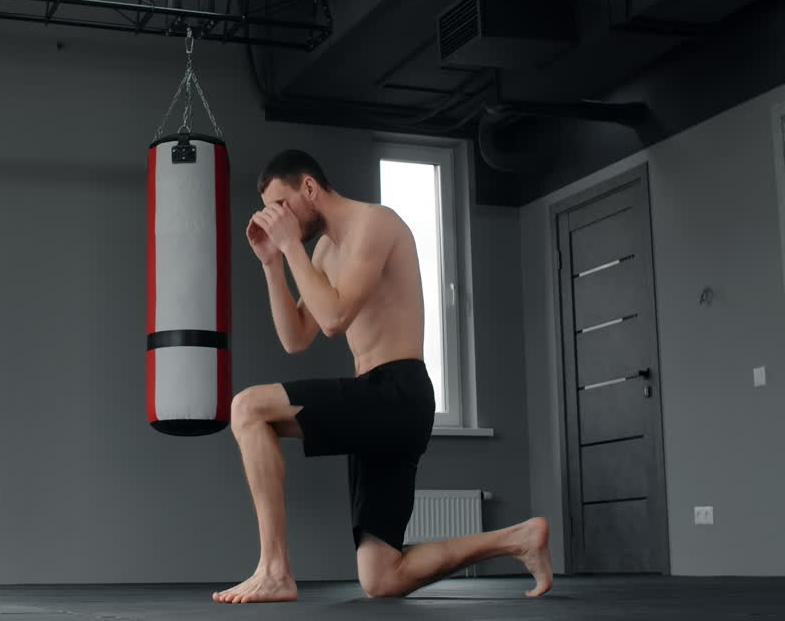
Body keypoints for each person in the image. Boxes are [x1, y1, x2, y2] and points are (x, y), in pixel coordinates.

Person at [213, 149, 553, 604]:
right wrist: (272, 263)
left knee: (247, 407)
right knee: (382, 578)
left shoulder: (375, 223)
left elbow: (333, 319)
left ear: (309, 187)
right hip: (378, 405)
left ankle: (275, 569)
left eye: (281, 205)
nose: (277, 218)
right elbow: (296, 338)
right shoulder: (325, 250)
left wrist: (291, 246)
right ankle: (518, 538)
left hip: (397, 391)